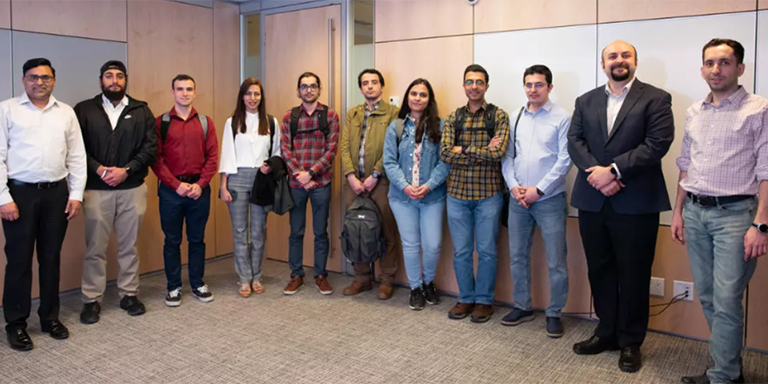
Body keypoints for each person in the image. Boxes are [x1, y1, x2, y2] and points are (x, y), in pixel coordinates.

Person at [567, 40, 674, 373]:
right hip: (592, 200)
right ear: (603, 65)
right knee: (600, 267)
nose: (619, 60)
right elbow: (575, 141)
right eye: (612, 56)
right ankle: (606, 332)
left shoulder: (656, 98)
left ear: (635, 62)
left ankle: (630, 341)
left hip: (636, 201)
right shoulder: (585, 101)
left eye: (625, 55)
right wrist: (597, 175)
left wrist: (613, 171)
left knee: (634, 272)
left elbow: (658, 143)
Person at [672, 38, 768, 384]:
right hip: (696, 212)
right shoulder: (694, 112)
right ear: (702, 69)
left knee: (727, 300)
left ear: (740, 68)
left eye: (725, 62)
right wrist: (678, 212)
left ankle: (722, 376)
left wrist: (762, 223)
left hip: (736, 216)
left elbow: (766, 170)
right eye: (710, 63)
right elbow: (686, 165)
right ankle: (729, 370)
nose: (717, 69)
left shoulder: (759, 109)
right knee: (710, 296)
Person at [0, 58, 87, 351]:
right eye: (34, 77)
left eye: (46, 77)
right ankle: (16, 324)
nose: (40, 82)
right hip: (19, 195)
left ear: (54, 80)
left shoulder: (66, 113)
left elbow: (77, 156)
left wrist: (76, 194)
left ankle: (49, 318)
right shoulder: (7, 109)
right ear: (24, 80)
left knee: (50, 259)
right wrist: (3, 198)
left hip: (56, 195)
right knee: (19, 261)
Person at [75, 60, 158, 324]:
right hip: (96, 189)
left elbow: (150, 147)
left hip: (131, 187)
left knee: (129, 246)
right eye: (109, 76)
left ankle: (129, 294)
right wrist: (99, 169)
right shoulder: (85, 110)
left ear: (126, 79)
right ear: (100, 80)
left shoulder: (141, 110)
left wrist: (127, 170)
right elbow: (76, 149)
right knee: (95, 247)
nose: (114, 80)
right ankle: (91, 299)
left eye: (119, 76)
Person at [500, 65, 572, 337]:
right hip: (518, 200)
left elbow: (565, 160)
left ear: (549, 87)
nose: (533, 89)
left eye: (539, 84)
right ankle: (522, 306)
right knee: (517, 256)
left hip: (549, 199)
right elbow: (508, 157)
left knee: (556, 260)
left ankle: (554, 312)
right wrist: (515, 187)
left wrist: (538, 190)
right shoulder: (515, 116)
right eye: (528, 84)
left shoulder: (562, 117)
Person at [440, 64, 510, 323]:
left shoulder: (497, 116)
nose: (474, 86)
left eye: (479, 82)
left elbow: (498, 152)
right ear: (464, 86)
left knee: (488, 250)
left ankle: (484, 301)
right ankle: (465, 298)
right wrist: (479, 149)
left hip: (488, 195)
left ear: (487, 86)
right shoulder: (453, 117)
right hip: (456, 195)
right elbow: (445, 153)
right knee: (461, 251)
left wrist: (463, 149)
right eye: (469, 82)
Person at [151, 74, 218, 307]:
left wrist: (200, 184)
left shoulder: (205, 122)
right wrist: (176, 184)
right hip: (171, 191)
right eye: (180, 89)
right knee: (172, 240)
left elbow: (213, 158)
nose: (185, 93)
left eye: (189, 89)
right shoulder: (161, 123)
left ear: (194, 93)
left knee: (197, 240)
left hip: (199, 191)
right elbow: (156, 160)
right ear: (172, 92)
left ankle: (198, 283)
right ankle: (173, 287)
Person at [383, 78, 450, 310]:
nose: (418, 98)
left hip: (432, 197)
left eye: (423, 95)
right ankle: (415, 288)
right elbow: (389, 162)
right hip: (402, 198)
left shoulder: (441, 126)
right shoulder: (396, 127)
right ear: (407, 97)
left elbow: (445, 162)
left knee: (432, 244)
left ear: (429, 99)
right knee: (410, 244)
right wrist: (405, 186)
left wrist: (429, 185)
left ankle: (429, 281)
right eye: (414, 94)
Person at [340, 69, 400, 300]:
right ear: (360, 88)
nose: (370, 86)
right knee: (355, 230)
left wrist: (375, 174)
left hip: (381, 182)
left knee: (386, 231)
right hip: (354, 183)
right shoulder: (353, 114)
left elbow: (392, 147)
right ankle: (362, 278)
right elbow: (344, 147)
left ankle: (386, 280)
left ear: (382, 87)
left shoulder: (393, 113)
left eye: (374, 82)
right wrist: (350, 176)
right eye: (365, 83)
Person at [219, 77, 280, 298]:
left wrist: (269, 166)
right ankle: (244, 278)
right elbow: (227, 154)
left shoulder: (271, 122)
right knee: (239, 231)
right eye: (248, 94)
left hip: (260, 179)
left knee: (258, 231)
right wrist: (223, 187)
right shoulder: (232, 121)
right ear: (242, 96)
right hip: (236, 177)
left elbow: (278, 153)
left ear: (261, 97)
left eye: (256, 94)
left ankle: (257, 276)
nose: (252, 98)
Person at [281, 72, 340, 295]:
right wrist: (300, 175)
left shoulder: (330, 115)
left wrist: (312, 173)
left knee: (320, 232)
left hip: (320, 183)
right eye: (304, 87)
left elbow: (331, 149)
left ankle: (321, 275)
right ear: (298, 91)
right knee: (295, 231)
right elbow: (285, 149)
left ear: (319, 89)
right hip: (297, 185)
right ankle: (296, 275)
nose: (308, 90)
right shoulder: (289, 117)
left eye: (313, 86)